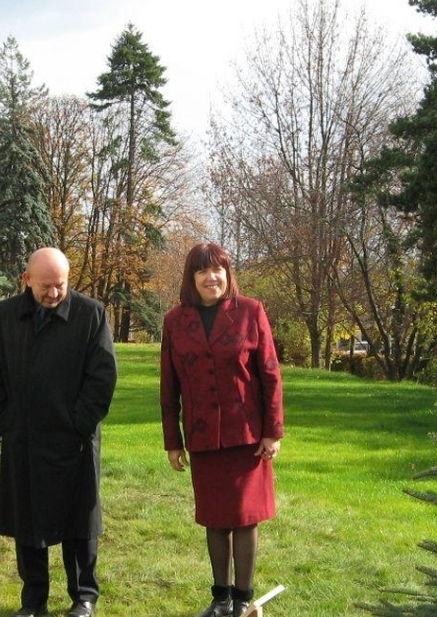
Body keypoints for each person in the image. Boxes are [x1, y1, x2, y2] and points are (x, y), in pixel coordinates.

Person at [0, 247, 118, 617]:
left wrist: (80, 423)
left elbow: (103, 375)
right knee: (28, 523)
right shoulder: (4, 316)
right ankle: (33, 600)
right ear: (27, 280)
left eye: (61, 285)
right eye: (46, 286)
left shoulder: (91, 314)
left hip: (75, 441)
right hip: (24, 438)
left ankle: (84, 597)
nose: (54, 293)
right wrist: (5, 420)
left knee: (79, 523)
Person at [159, 243, 284, 617]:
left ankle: (243, 599)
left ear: (228, 274)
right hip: (202, 437)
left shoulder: (250, 312)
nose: (210, 277)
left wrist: (272, 432)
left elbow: (270, 375)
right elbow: (168, 386)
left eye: (217, 270)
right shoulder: (175, 321)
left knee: (245, 518)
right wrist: (173, 442)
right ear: (191, 278)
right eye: (202, 271)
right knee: (215, 519)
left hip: (246, 436)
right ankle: (221, 599)